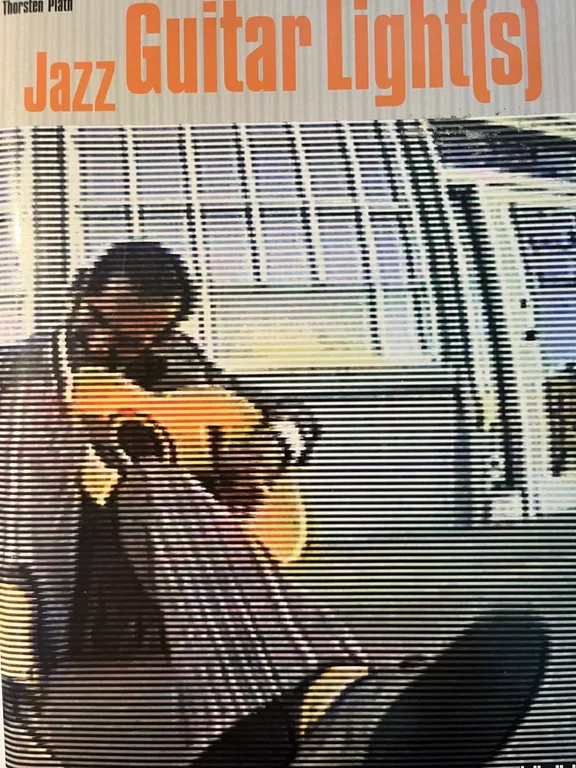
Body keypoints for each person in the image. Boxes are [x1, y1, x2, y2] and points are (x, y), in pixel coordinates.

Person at [0, 242, 549, 767]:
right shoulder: (15, 372)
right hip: (64, 582)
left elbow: (289, 415)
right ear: (79, 292)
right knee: (153, 484)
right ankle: (339, 710)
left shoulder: (174, 358)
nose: (115, 347)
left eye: (144, 337)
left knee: (159, 487)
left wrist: (270, 447)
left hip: (172, 568)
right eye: (102, 323)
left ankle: (338, 715)